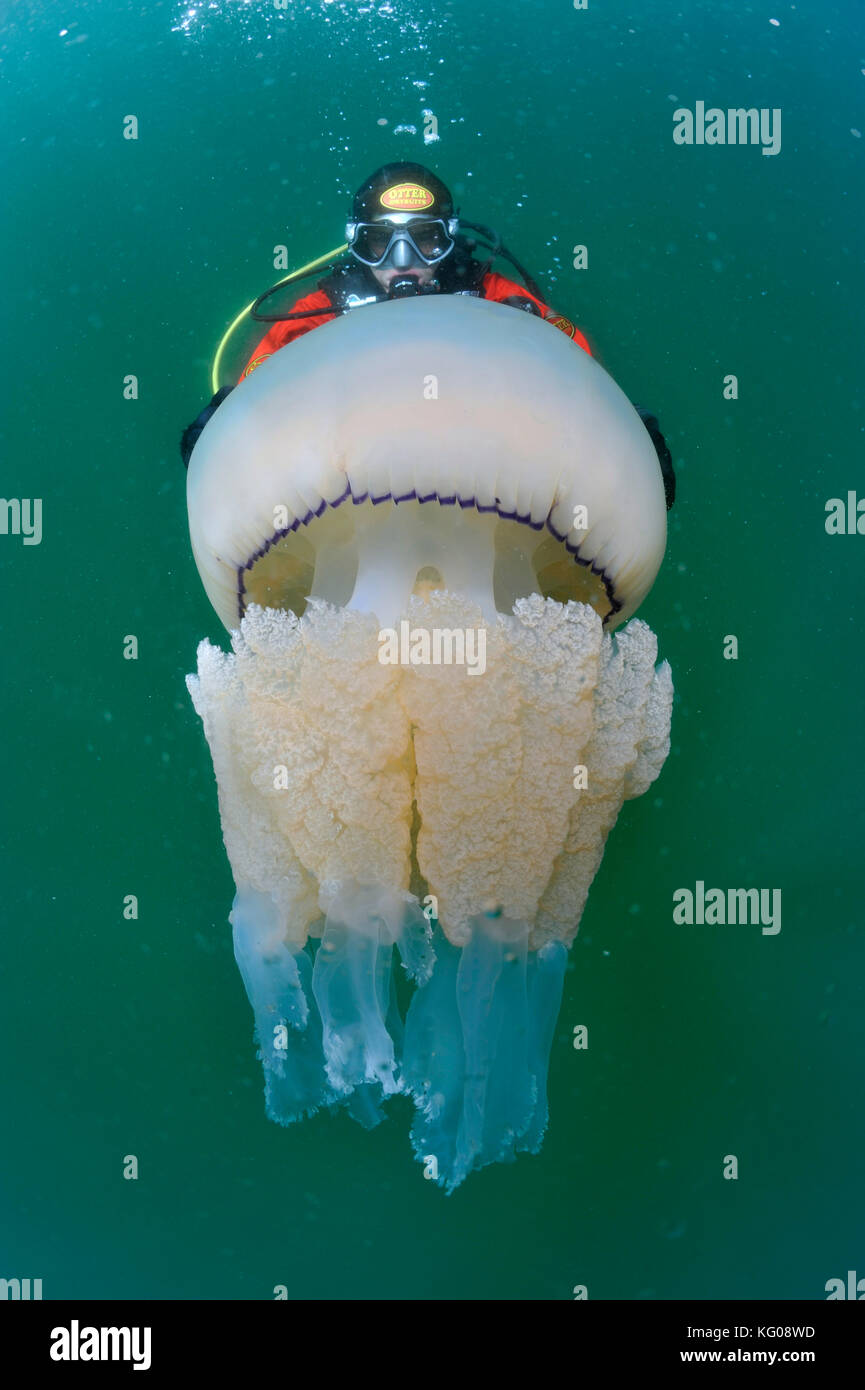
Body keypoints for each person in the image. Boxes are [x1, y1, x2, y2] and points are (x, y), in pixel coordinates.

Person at [181, 162, 675, 509]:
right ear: (359, 244)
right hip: (361, 478)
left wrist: (629, 422)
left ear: (449, 239)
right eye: (380, 241)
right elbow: (264, 371)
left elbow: (568, 353)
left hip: (483, 465)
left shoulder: (488, 290)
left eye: (425, 239)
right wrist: (225, 416)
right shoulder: (320, 308)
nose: (403, 261)